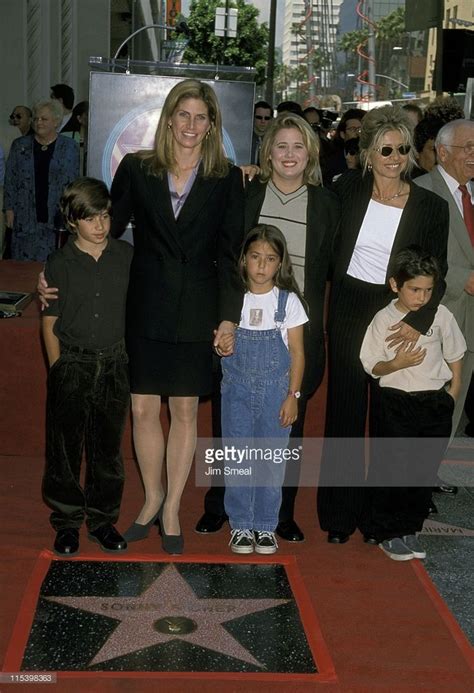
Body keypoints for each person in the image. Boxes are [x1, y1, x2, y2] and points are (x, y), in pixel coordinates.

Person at [109, 79, 244, 555]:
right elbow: (107, 230)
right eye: (183, 115)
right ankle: (151, 501)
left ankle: (171, 512)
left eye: (200, 117)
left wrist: (229, 318)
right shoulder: (137, 168)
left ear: (212, 125)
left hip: (198, 308)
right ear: (169, 119)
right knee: (143, 407)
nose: (190, 125)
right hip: (145, 303)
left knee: (185, 409)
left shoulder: (225, 178)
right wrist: (68, 272)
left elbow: (231, 254)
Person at [196, 112, 340, 542]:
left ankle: (280, 514)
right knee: (233, 424)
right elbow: (226, 259)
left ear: (310, 153)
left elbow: (329, 268)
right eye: (281, 146)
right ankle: (221, 506)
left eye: (298, 146)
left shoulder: (327, 203)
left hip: (294, 330)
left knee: (286, 426)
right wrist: (226, 316)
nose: (290, 154)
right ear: (268, 152)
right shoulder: (246, 193)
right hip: (243, 326)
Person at [317, 105, 450, 545]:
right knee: (346, 413)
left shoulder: (431, 205)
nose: (395, 157)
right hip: (351, 307)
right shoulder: (344, 191)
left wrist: (421, 318)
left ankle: (383, 519)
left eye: (403, 149)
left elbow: (438, 268)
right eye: (386, 149)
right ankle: (339, 516)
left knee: (394, 418)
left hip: (398, 312)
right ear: (368, 152)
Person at [42, 177, 133, 556]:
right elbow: (50, 320)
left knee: (107, 449)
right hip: (73, 362)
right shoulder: (59, 262)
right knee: (64, 449)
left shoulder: (126, 257)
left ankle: (101, 520)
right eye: (90, 218)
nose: (100, 225)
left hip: (115, 362)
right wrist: (58, 369)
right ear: (72, 220)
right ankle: (66, 523)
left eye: (105, 216)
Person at [360, 247, 465, 561]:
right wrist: (397, 363)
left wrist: (453, 390)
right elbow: (371, 365)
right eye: (414, 290)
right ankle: (386, 531)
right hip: (395, 402)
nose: (422, 297)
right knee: (393, 469)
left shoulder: (440, 314)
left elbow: (456, 351)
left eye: (428, 290)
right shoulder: (383, 319)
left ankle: (409, 528)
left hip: (434, 402)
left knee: (422, 471)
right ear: (395, 285)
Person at [222, 225, 308, 555]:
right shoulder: (234, 299)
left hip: (277, 393)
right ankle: (241, 525)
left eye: (270, 259)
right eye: (255, 257)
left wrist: (293, 395)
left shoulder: (288, 303)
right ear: (244, 260)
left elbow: (298, 352)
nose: (261, 265)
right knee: (238, 458)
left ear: (280, 264)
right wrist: (222, 347)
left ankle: (266, 525)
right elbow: (222, 340)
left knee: (272, 462)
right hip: (236, 392)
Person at [415, 119, 474, 442]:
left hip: (471, 324)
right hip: (438, 317)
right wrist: (462, 278)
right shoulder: (421, 190)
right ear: (442, 152)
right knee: (429, 406)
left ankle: (431, 471)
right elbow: (415, 257)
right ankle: (417, 480)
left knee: (455, 403)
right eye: (468, 147)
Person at [4, 99, 79, 261]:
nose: (38, 122)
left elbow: (73, 183)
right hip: (24, 215)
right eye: (36, 118)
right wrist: (9, 209)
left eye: (44, 119)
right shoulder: (19, 145)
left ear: (56, 122)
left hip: (56, 216)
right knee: (23, 267)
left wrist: (71, 212)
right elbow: (10, 178)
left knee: (54, 265)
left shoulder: (69, 147)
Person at [61, 100, 89, 175]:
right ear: (79, 118)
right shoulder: (65, 137)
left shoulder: (100, 141)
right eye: (88, 114)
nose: (92, 117)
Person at [251, 100, 273, 165]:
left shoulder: (274, 139)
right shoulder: (244, 137)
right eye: (259, 117)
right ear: (252, 117)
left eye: (266, 118)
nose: (263, 121)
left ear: (271, 119)